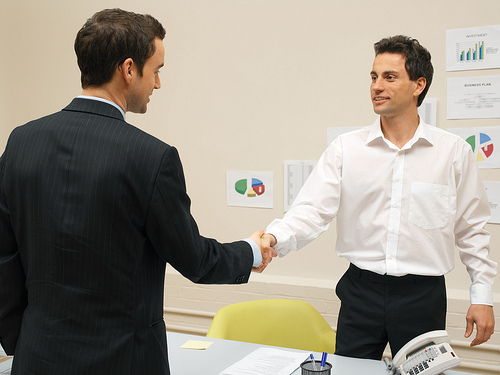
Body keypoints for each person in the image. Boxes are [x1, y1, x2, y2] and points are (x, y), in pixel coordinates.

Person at [0, 8, 273, 375]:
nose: (157, 84)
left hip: (36, 359)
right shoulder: (152, 157)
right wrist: (251, 251)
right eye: (156, 70)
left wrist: (23, 341)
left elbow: (4, 258)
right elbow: (194, 260)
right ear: (129, 70)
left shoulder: (21, 141)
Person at [261, 35, 496, 360]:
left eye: (389, 77)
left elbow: (471, 230)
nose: (377, 86)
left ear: (418, 85)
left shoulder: (453, 153)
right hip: (361, 292)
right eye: (374, 77)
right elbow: (312, 211)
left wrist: (482, 296)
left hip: (422, 296)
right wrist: (273, 238)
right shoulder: (347, 148)